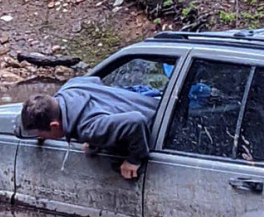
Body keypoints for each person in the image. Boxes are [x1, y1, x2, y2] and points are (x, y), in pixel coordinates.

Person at [17, 76, 161, 181]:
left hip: (161, 125)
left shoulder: (89, 128)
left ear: (54, 125)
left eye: (40, 134)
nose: (40, 138)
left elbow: (136, 121)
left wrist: (134, 159)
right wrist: (99, 141)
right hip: (152, 102)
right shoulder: (71, 86)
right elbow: (95, 81)